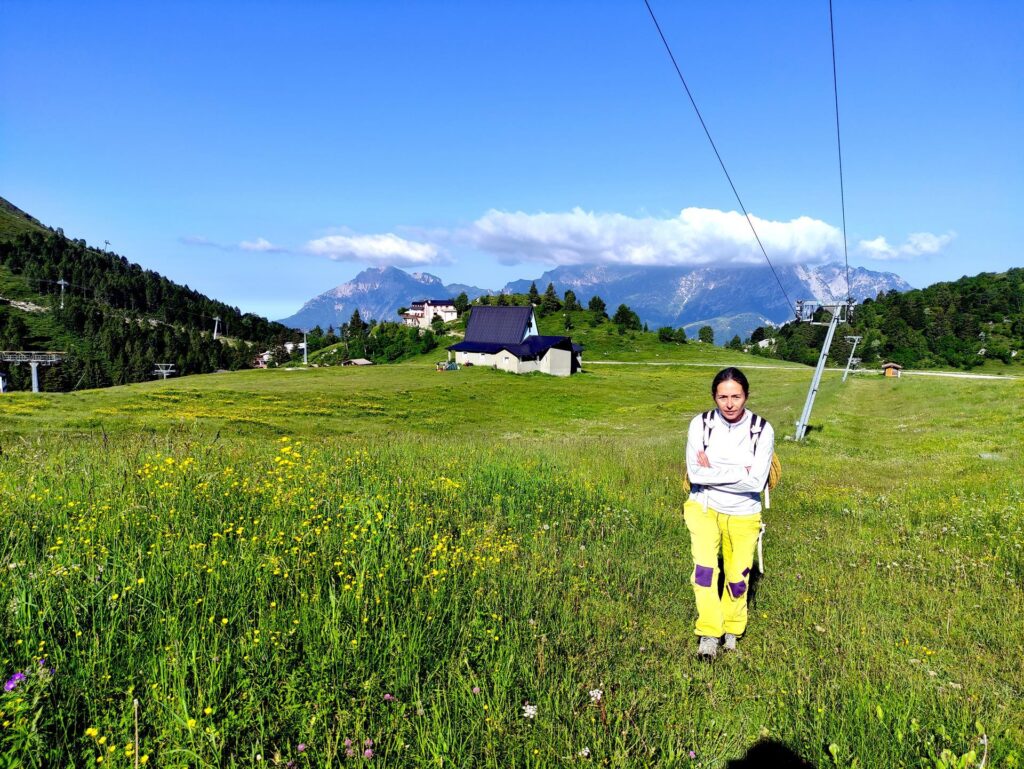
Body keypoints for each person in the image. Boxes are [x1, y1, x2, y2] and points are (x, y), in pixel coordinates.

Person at [684, 367, 774, 659]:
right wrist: (740, 470)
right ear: (714, 397)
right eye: (723, 397)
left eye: (736, 396)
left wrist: (713, 470)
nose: (730, 403)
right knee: (704, 572)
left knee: (738, 576)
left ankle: (732, 629)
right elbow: (695, 473)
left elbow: (757, 481)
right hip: (703, 508)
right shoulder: (701, 424)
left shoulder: (762, 429)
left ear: (746, 395)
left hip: (744, 513)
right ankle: (709, 632)